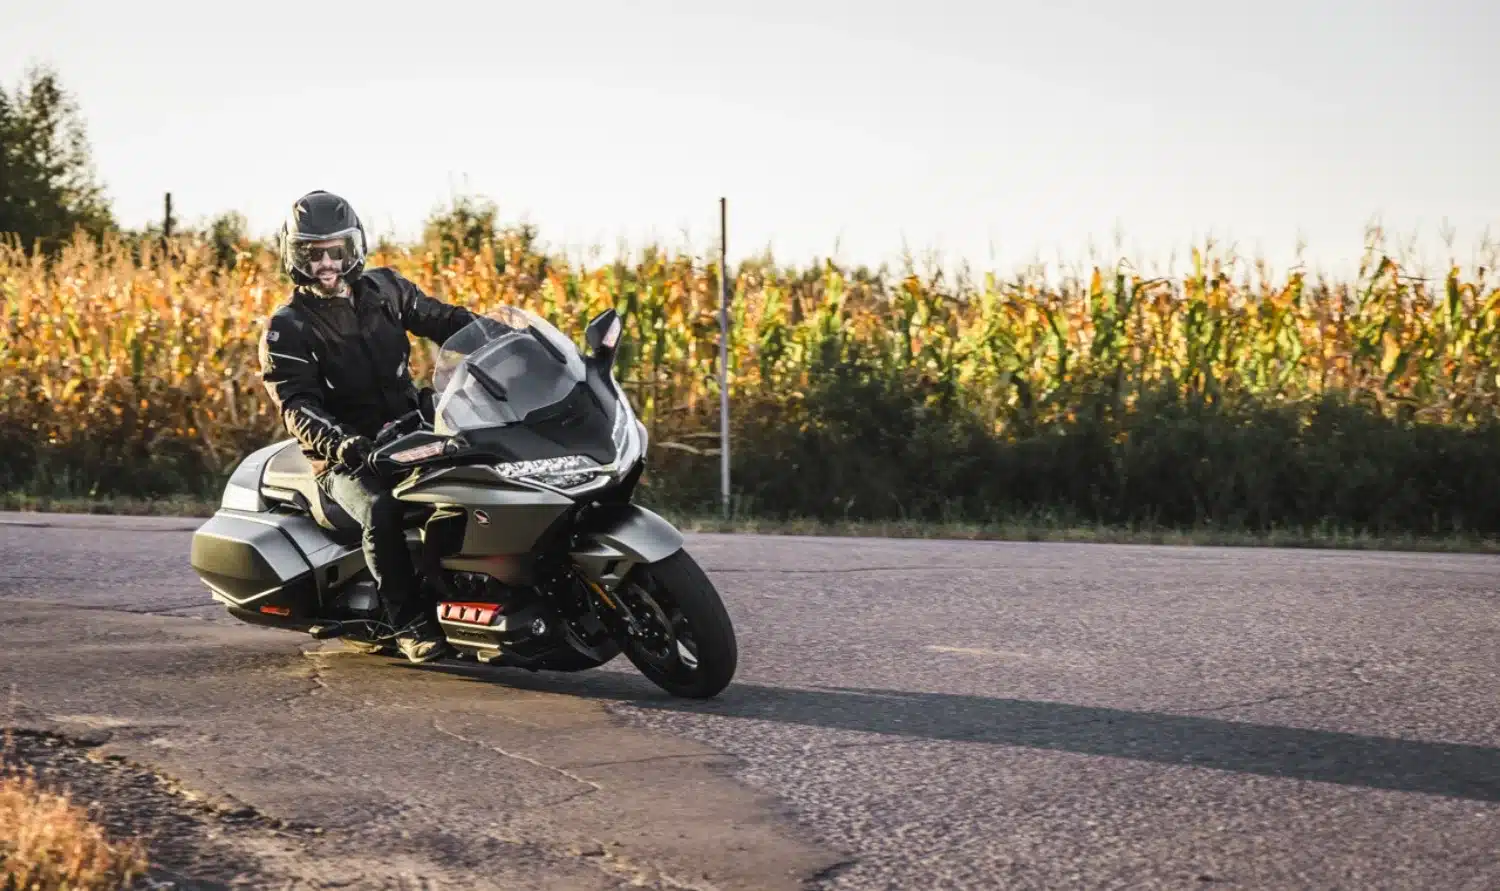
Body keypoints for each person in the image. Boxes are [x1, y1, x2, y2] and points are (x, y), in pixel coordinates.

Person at [257, 190, 476, 664]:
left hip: (412, 429)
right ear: (294, 258)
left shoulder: (387, 291)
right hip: (347, 457)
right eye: (312, 254)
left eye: (337, 250)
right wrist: (344, 445)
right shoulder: (288, 326)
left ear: (354, 249)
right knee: (381, 510)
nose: (327, 264)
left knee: (481, 474)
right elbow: (296, 406)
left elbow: (448, 322)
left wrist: (498, 338)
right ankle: (409, 623)